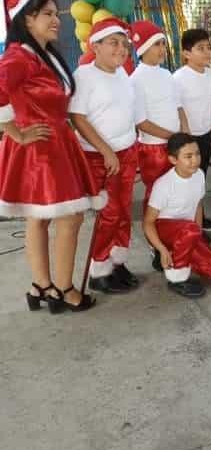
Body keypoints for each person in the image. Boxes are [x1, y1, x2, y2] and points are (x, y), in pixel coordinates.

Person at [0, 0, 104, 313]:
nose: (56, 20)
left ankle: (42, 285)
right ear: (26, 18)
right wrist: (15, 130)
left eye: (56, 13)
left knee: (40, 219)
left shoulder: (43, 55)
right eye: (48, 13)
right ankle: (63, 288)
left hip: (54, 143)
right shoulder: (18, 56)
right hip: (40, 148)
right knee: (69, 217)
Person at [70, 18, 141, 295]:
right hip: (101, 157)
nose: (121, 49)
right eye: (114, 43)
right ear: (95, 46)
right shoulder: (84, 75)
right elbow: (77, 117)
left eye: (124, 44)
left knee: (123, 211)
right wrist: (106, 150)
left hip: (127, 151)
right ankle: (99, 270)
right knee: (108, 215)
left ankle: (117, 261)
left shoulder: (122, 74)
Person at [143, 132, 211, 298]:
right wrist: (160, 247)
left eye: (197, 154)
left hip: (188, 231)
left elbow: (198, 205)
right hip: (164, 229)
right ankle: (176, 278)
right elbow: (148, 222)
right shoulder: (163, 185)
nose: (195, 159)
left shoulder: (200, 175)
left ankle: (175, 252)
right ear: (173, 160)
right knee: (190, 231)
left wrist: (199, 235)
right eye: (188, 156)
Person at [130, 20, 188, 214]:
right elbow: (141, 122)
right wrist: (172, 136)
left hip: (177, 142)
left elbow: (178, 106)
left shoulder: (167, 75)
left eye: (163, 43)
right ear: (143, 48)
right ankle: (154, 233)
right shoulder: (136, 80)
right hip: (153, 148)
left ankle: (174, 228)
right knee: (156, 192)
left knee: (177, 189)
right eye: (157, 44)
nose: (162, 48)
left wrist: (185, 132)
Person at [173, 28, 211, 231]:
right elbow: (177, 107)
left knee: (201, 177)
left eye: (208, 47)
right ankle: (184, 221)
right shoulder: (178, 78)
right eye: (200, 48)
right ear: (186, 53)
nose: (207, 52)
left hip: (207, 133)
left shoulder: (210, 73)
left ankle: (199, 216)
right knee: (185, 181)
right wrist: (186, 136)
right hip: (188, 139)